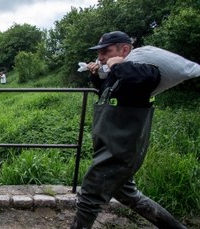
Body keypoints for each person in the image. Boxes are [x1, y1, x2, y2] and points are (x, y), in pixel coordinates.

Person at [70, 31, 187, 229]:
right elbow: (108, 92)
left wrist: (116, 65)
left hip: (120, 151)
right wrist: (96, 76)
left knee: (89, 196)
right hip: (112, 146)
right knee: (130, 196)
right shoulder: (119, 73)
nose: (100, 57)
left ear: (124, 49)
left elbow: (139, 79)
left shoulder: (145, 71)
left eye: (106, 51)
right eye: (99, 52)